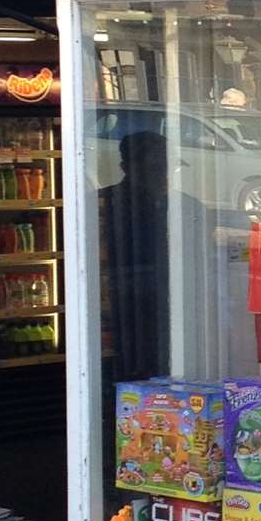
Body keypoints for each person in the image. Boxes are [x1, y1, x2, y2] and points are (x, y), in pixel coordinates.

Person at [100, 131, 172, 381]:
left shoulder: (182, 206)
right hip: (123, 307)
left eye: (165, 166)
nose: (162, 175)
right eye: (154, 167)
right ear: (126, 168)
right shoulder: (104, 203)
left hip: (166, 309)